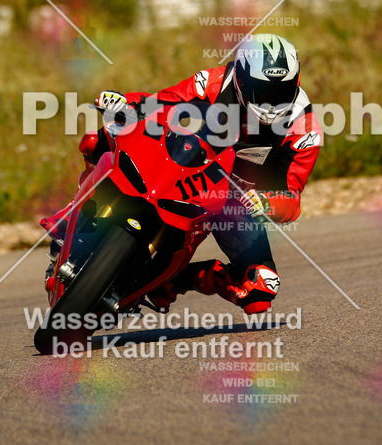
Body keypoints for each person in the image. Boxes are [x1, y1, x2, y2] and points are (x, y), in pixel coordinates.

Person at [42, 34, 322, 314]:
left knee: (260, 289)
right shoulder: (215, 82)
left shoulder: (305, 129)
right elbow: (164, 101)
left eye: (281, 92)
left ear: (296, 83)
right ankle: (71, 215)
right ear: (241, 78)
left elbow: (291, 196)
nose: (271, 103)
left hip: (237, 203)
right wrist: (124, 103)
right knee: (100, 137)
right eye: (262, 91)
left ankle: (173, 281)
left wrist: (267, 203)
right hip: (190, 166)